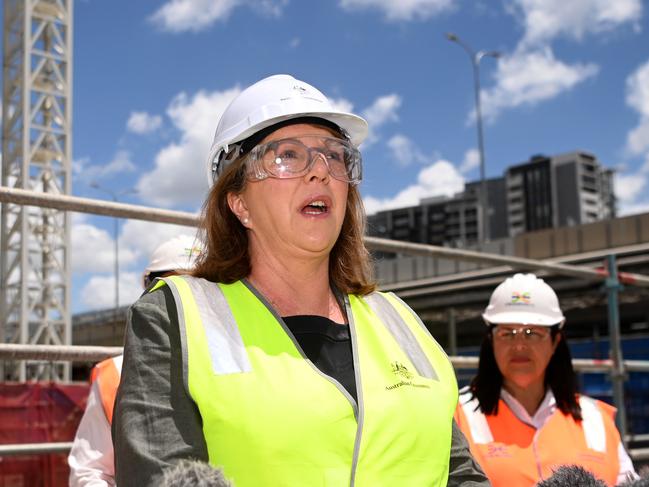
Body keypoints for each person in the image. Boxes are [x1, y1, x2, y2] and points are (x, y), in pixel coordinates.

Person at [113, 74, 489, 486]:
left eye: (335, 156)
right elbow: (159, 475)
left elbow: (456, 471)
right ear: (238, 203)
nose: (320, 172)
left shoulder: (399, 318)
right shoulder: (174, 319)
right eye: (287, 155)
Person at [454, 273, 638, 487]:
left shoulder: (596, 419)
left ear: (555, 341)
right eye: (507, 333)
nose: (519, 345)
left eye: (533, 333)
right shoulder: (457, 415)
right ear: (491, 340)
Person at [68, 234, 202, 486]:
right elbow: (91, 471)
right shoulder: (114, 375)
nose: (182, 297)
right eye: (171, 287)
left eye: (198, 286)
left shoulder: (243, 363)